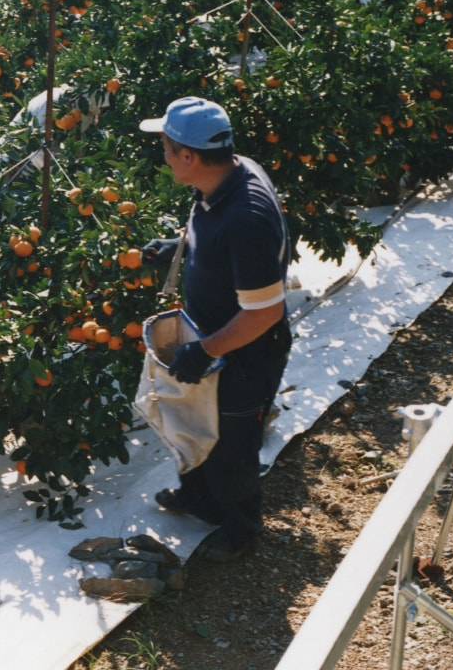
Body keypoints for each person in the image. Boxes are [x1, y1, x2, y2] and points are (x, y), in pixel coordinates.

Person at [138, 96, 291, 562]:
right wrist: (182, 246)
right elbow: (211, 227)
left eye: (165, 147)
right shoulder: (226, 175)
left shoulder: (247, 218)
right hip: (213, 333)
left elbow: (263, 313)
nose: (162, 156)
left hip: (245, 353)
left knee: (232, 445)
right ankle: (199, 499)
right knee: (194, 422)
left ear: (189, 156)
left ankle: (240, 529)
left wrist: (207, 350)